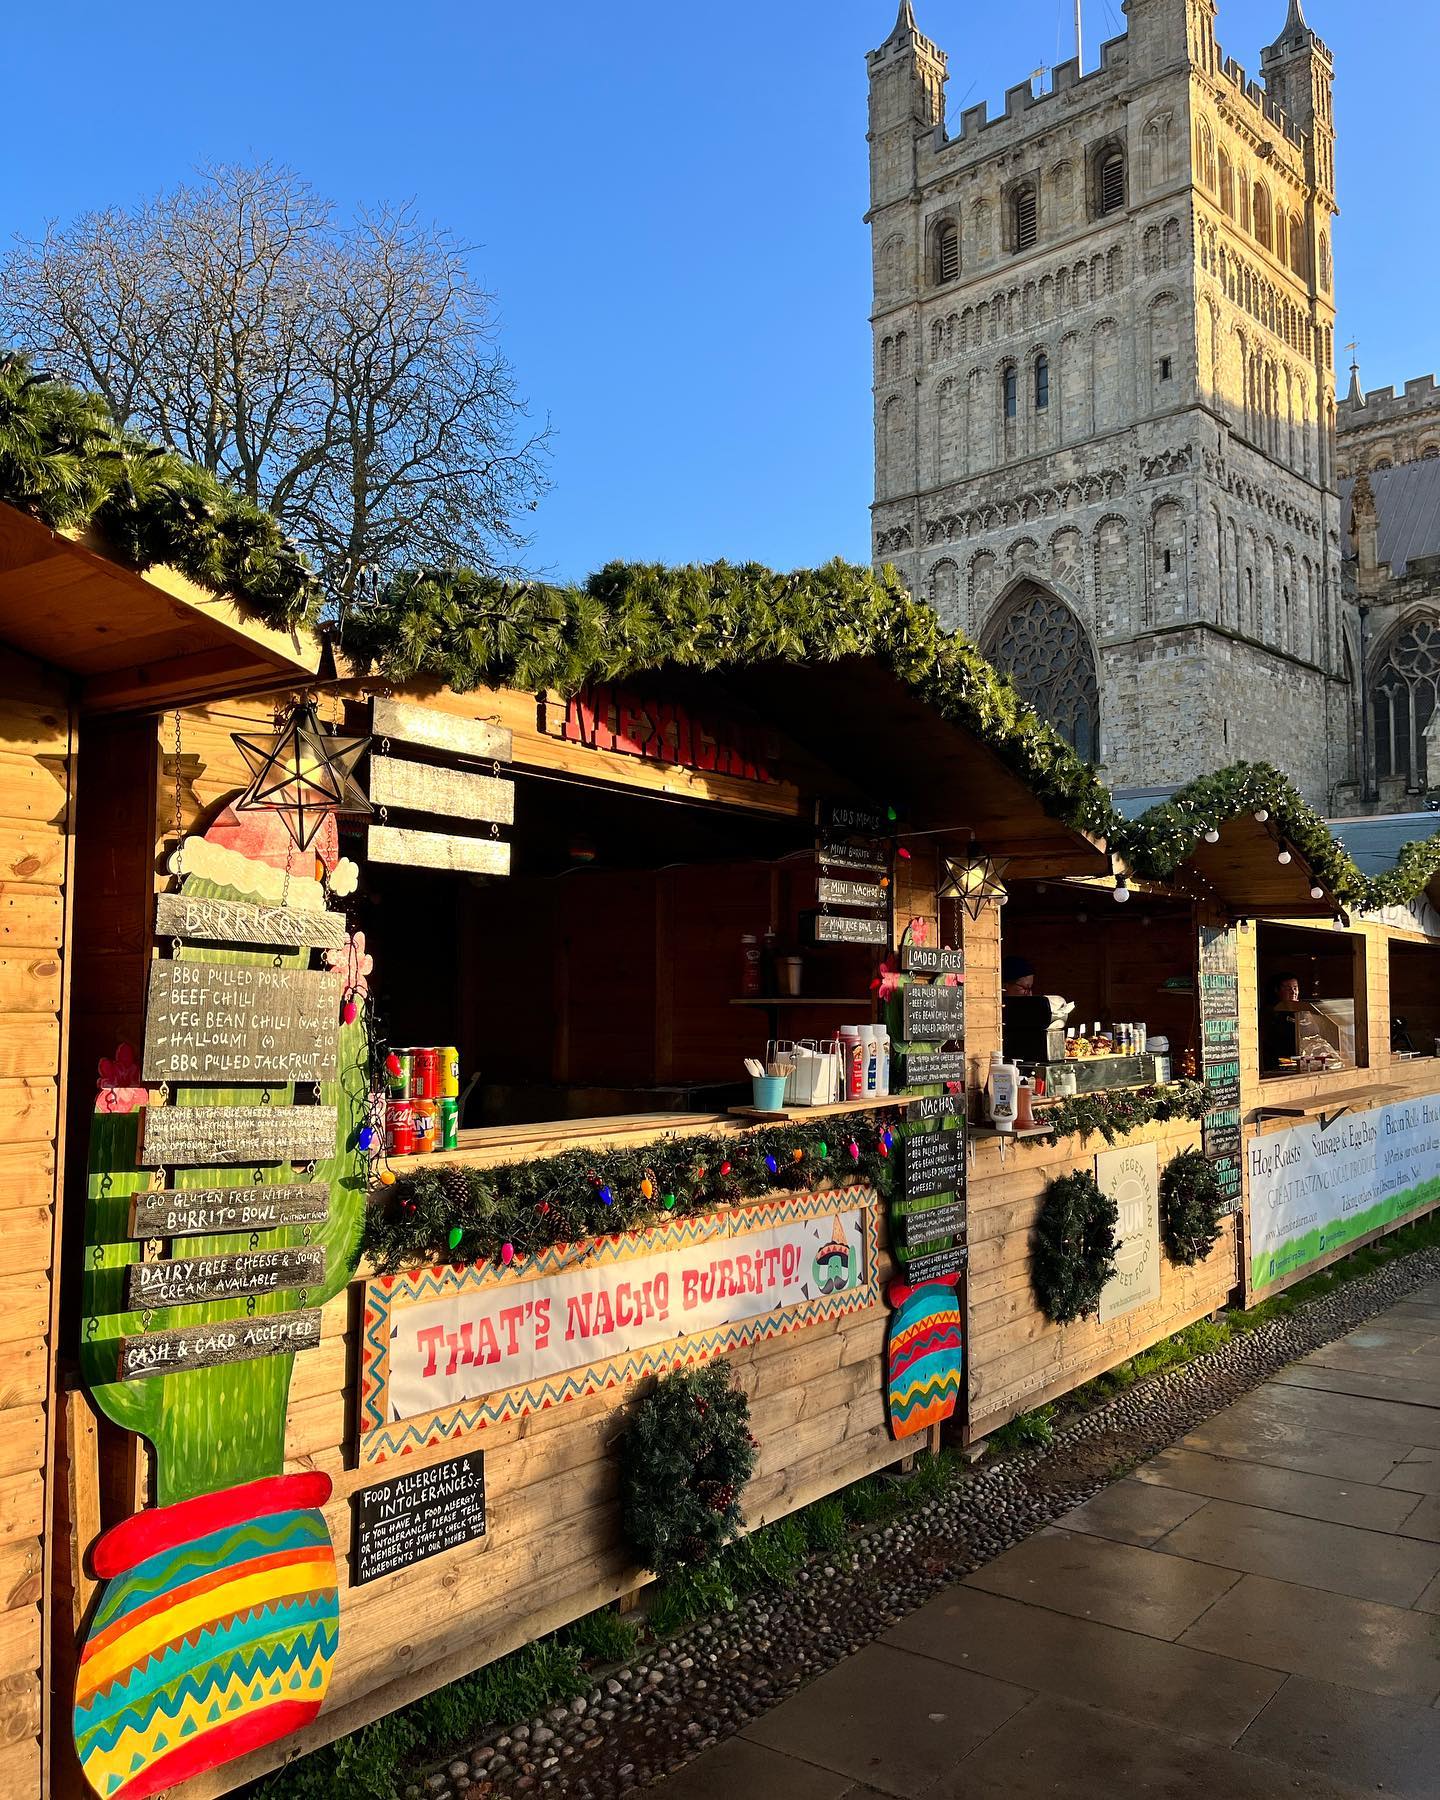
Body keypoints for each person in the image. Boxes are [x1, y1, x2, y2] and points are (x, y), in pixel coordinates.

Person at [1262, 970, 1302, 1069]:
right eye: (1288, 988)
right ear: (1277, 990)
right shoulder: (1271, 1013)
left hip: (1301, 1060)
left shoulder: (1303, 1010)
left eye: (1295, 988)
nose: (1293, 992)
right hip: (1279, 1064)